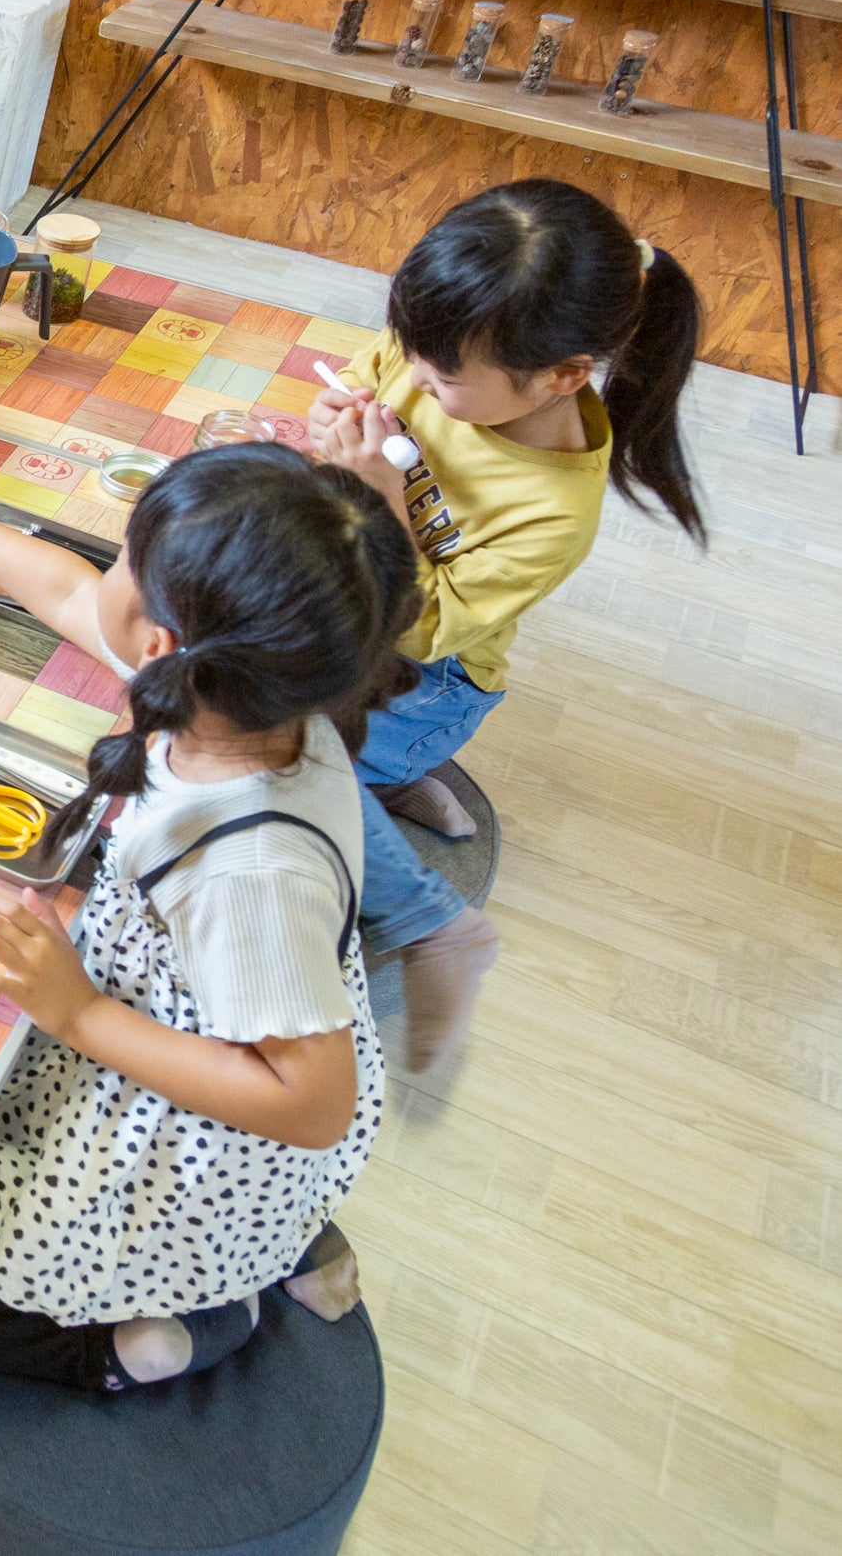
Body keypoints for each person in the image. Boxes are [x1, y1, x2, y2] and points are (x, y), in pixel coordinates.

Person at [0, 429, 417, 1391]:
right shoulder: (253, 689)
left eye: (125, 560)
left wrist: (80, 1012)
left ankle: (130, 1343)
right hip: (181, 1043)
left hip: (196, 1141)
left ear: (164, 644)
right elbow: (67, 595)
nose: (104, 567)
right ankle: (263, 1261)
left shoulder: (253, 869)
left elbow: (314, 1103)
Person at [311, 178, 705, 1070]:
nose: (413, 376)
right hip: (360, 603)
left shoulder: (555, 508)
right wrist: (339, 412)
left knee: (281, 750)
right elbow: (375, 371)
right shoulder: (443, 346)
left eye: (442, 378)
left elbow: (428, 631)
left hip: (432, 674)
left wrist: (382, 502)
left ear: (564, 376)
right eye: (412, 350)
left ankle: (425, 910)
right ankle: (389, 777)